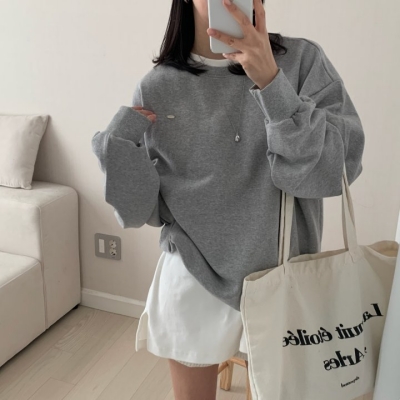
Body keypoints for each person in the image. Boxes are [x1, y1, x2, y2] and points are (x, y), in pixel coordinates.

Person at [91, 0, 365, 398]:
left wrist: (272, 84)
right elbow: (141, 212)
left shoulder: (302, 62)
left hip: (282, 276)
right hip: (192, 276)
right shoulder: (158, 86)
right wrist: (116, 150)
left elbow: (339, 167)